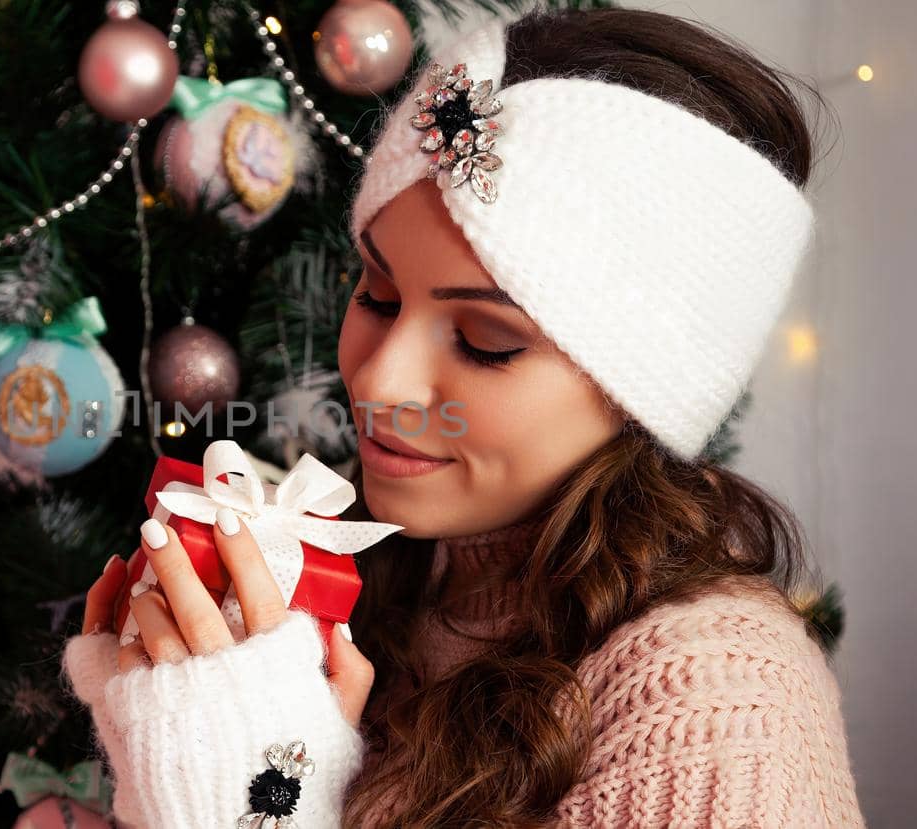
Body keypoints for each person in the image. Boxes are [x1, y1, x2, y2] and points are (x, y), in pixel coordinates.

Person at [61, 7, 864, 827]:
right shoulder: (371, 573)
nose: (379, 377)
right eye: (375, 292)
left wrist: (245, 805)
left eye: (485, 341)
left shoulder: (717, 712)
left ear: (642, 395)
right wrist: (170, 750)